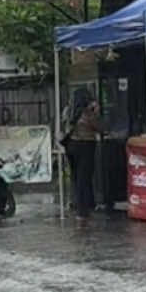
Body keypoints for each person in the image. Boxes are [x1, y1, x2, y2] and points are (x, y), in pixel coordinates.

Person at [61, 88, 100, 224]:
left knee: (76, 177)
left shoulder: (68, 110)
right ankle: (82, 211)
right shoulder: (88, 112)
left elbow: (64, 124)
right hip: (85, 145)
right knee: (84, 178)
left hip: (71, 145)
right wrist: (95, 111)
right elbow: (97, 126)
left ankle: (81, 204)